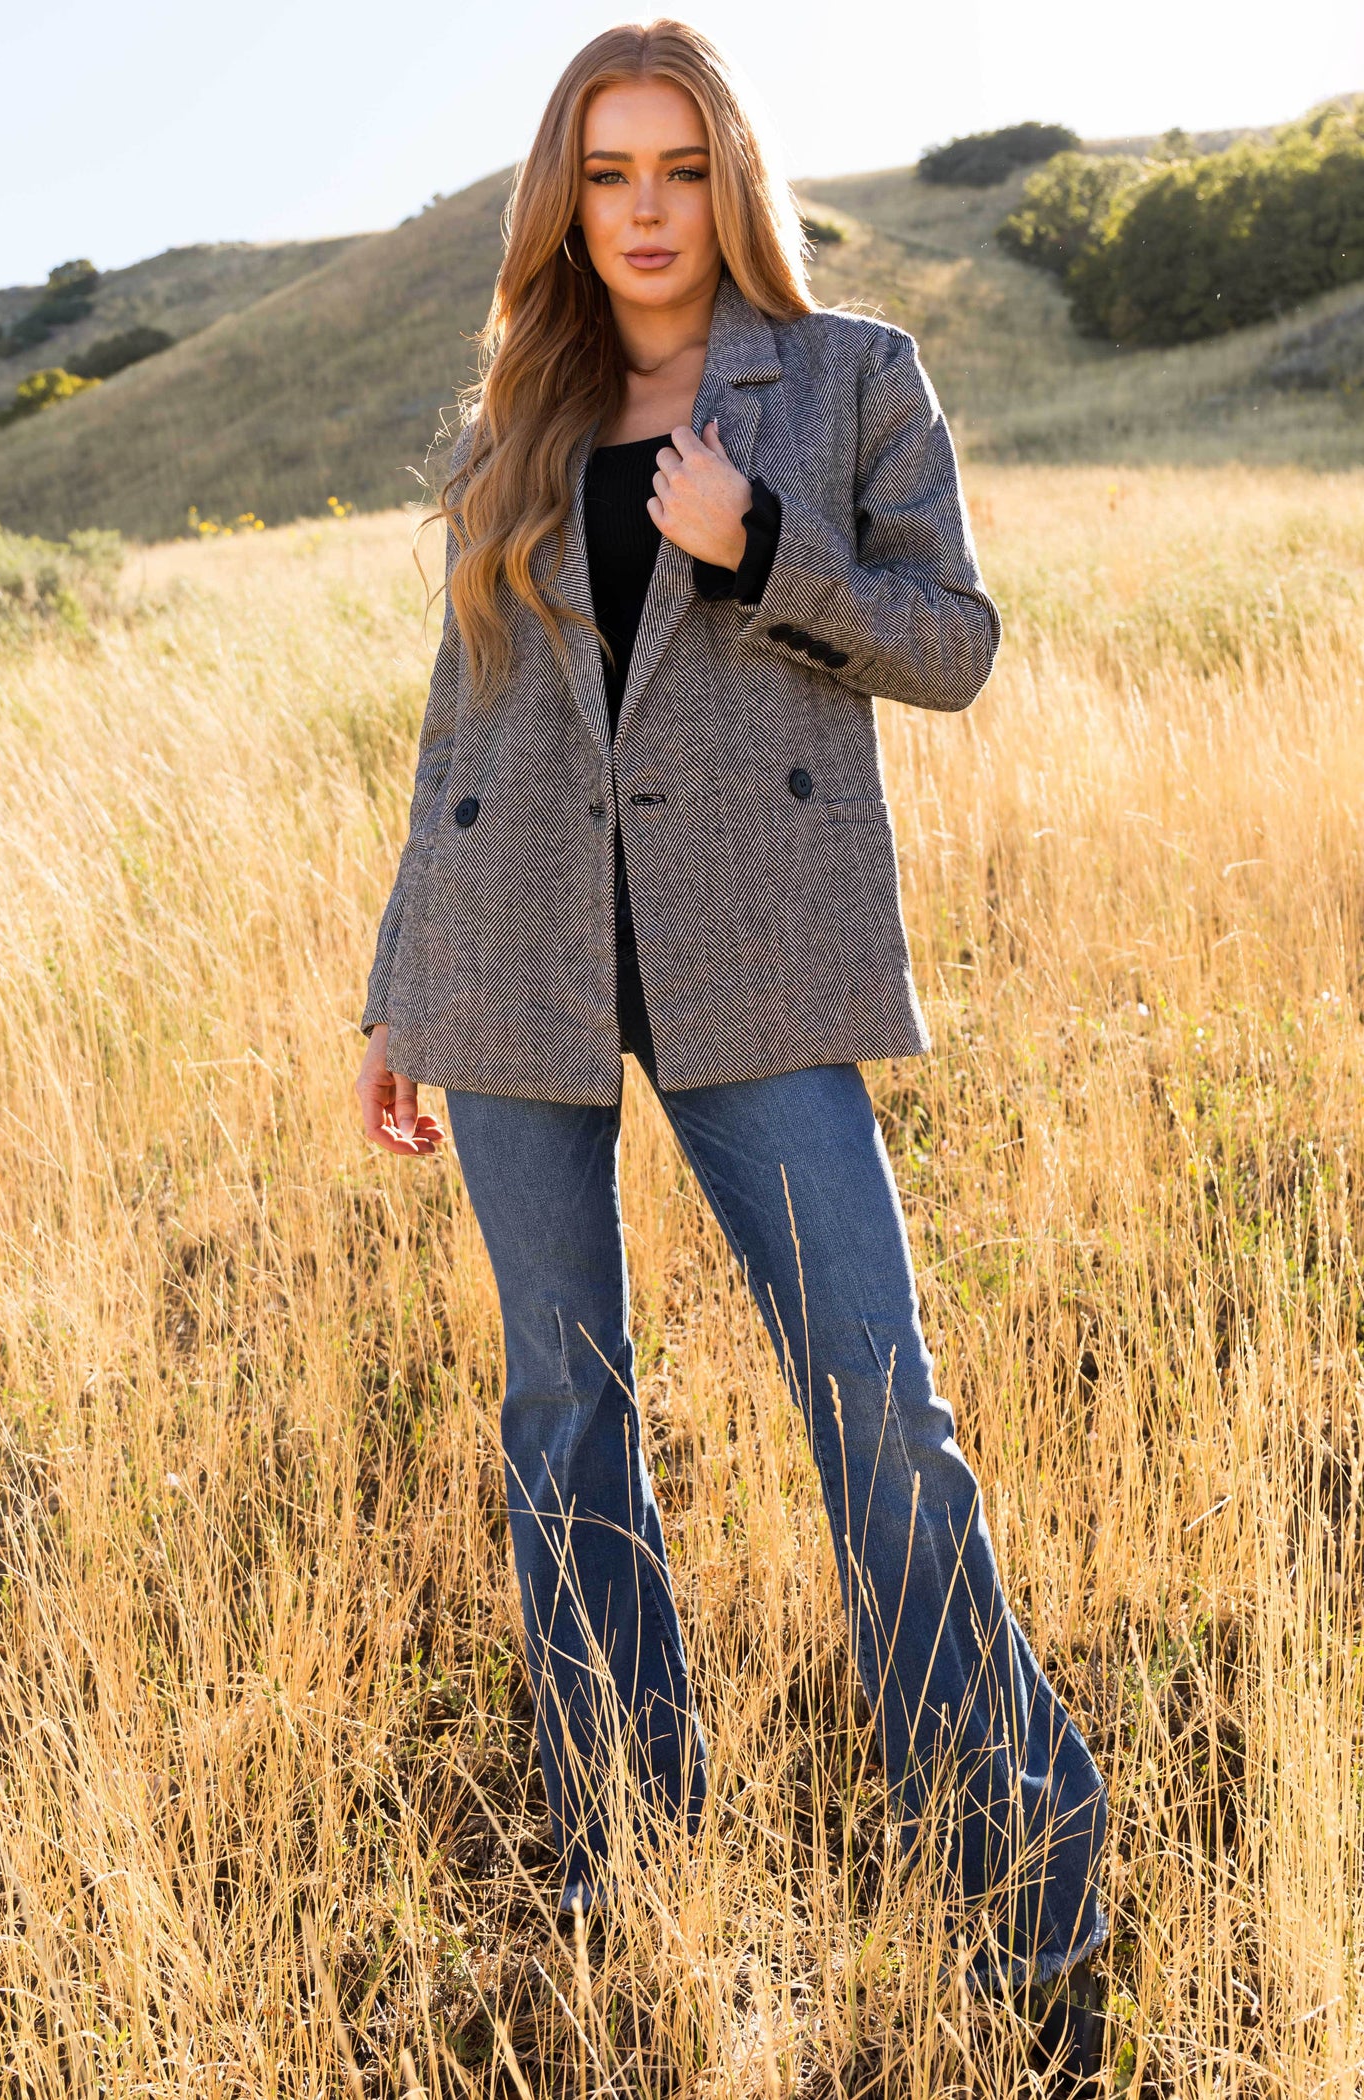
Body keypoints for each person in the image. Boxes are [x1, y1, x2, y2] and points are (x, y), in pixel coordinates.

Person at [355, 18, 1110, 2078]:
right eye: (605, 174)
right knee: (562, 1423)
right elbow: (460, 731)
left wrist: (758, 551)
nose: (644, 211)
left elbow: (949, 644)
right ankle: (625, 1840)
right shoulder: (516, 415)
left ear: (729, 176)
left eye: (675, 168)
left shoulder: (847, 373)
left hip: (756, 963)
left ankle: (1029, 1866)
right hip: (512, 971)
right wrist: (395, 986)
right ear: (560, 201)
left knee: (882, 1421)